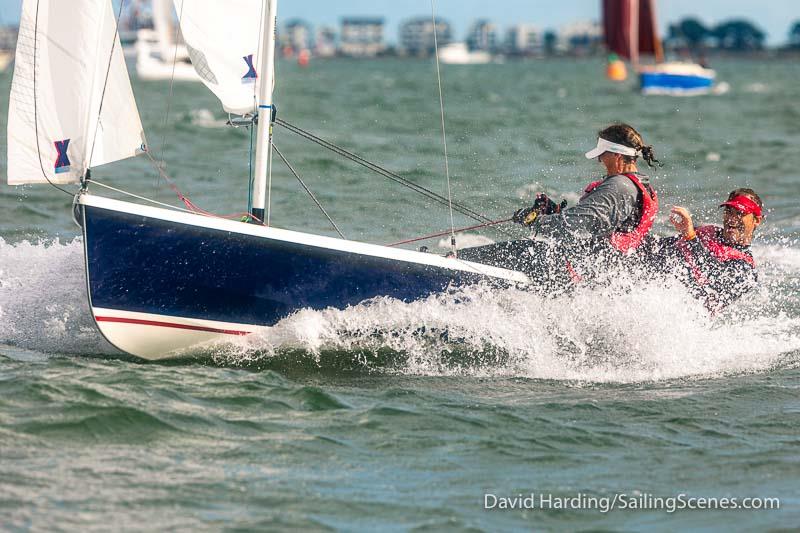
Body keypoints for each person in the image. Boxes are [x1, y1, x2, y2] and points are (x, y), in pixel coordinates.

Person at [459, 123, 661, 287]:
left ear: (617, 155)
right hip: (600, 271)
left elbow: (572, 226)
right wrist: (554, 213)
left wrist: (534, 220)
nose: (599, 159)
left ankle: (450, 263)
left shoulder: (618, 187)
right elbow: (598, 225)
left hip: (578, 269)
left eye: (603, 154)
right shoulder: (641, 186)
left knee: (515, 251)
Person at [651, 188, 762, 313]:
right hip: (650, 286)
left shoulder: (746, 272)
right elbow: (660, 247)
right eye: (729, 211)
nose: (732, 218)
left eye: (740, 213)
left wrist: (691, 238)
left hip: (681, 316)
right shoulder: (707, 232)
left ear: (757, 220)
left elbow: (713, 275)